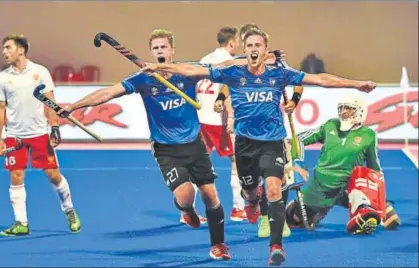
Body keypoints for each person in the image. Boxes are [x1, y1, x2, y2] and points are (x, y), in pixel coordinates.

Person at [141, 27, 376, 266]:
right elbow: (193, 70)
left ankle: (276, 247)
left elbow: (320, 79)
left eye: (258, 46)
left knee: (274, 188)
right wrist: (160, 67)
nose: (254, 49)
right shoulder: (233, 72)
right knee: (251, 193)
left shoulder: (279, 73)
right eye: (250, 46)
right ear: (245, 49)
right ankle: (252, 201)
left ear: (265, 50)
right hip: (244, 144)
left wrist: (356, 84)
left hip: (272, 142)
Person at [57, 29, 230, 260]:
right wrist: (73, 106)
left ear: (172, 51)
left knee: (211, 195)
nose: (160, 51)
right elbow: (108, 93)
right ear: (151, 53)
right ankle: (187, 210)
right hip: (166, 149)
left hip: (194, 143)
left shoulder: (186, 73)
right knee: (186, 195)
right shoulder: (143, 79)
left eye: (163, 47)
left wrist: (256, 59)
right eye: (155, 48)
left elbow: (222, 67)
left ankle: (218, 245)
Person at [0, 34, 81, 236]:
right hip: (14, 136)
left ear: (21, 49)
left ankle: (69, 211)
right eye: (3, 48)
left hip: (40, 133)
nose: (4, 52)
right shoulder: (2, 77)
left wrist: (55, 127)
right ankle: (21, 223)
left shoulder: (40, 72)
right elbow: (0, 109)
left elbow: (50, 102)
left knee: (53, 175)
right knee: (16, 176)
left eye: (8, 47)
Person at [285, 93, 401, 234]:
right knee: (293, 218)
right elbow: (299, 139)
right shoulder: (330, 125)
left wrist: (380, 196)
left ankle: (370, 208)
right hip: (321, 186)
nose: (344, 112)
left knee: (362, 187)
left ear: (360, 111)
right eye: (341, 108)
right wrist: (297, 160)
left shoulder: (368, 135)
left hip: (348, 187)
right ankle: (367, 210)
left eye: (349, 108)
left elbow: (374, 168)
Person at [184, 26, 247, 224]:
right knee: (238, 161)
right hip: (218, 122)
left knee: (197, 164)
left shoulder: (205, 59)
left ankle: (187, 211)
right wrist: (231, 119)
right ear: (232, 43)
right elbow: (226, 91)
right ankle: (238, 208)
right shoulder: (230, 63)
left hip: (200, 118)